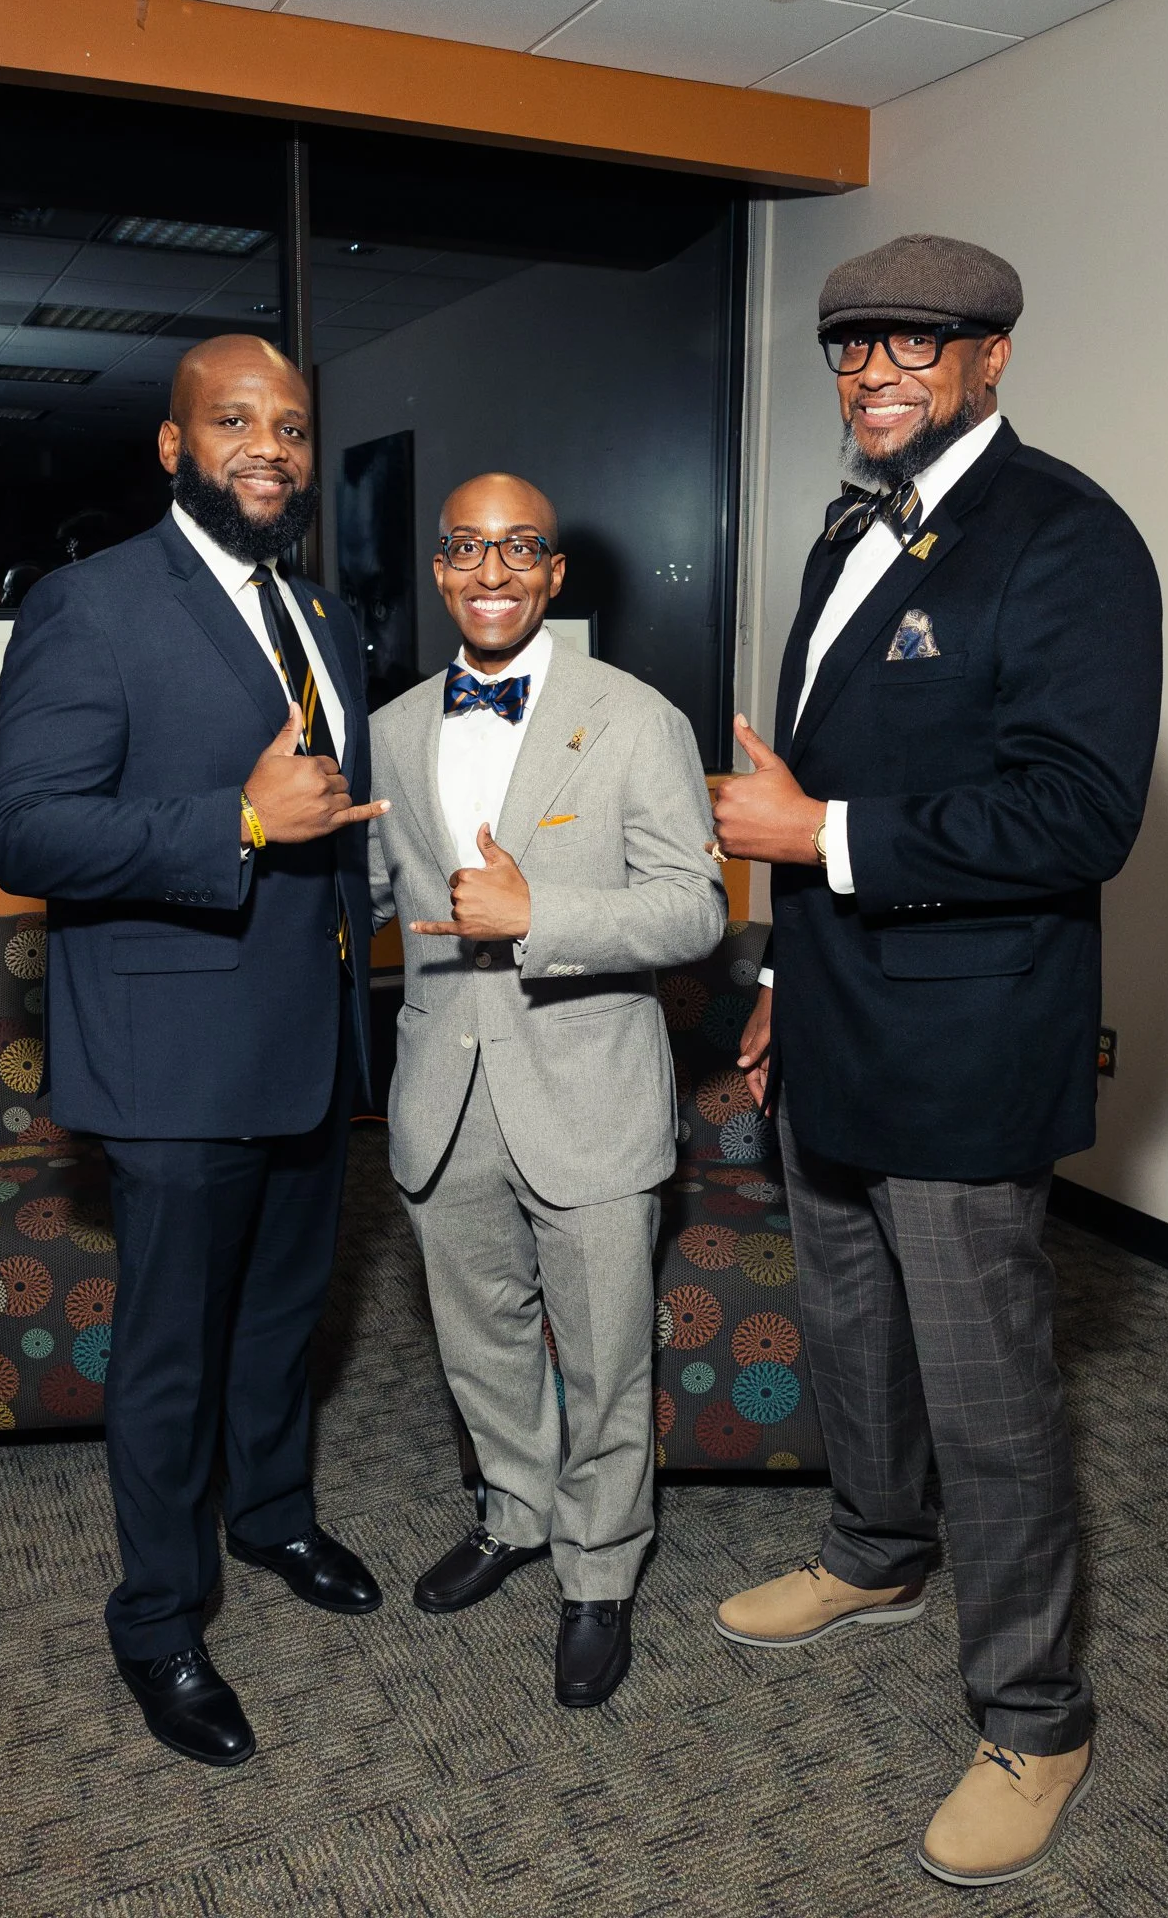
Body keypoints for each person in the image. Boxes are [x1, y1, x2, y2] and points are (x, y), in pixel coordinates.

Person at [709, 234, 1162, 1887]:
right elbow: (820, 776)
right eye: (851, 347)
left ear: (994, 358)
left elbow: (1078, 811)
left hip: (968, 1044)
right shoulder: (858, 520)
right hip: (832, 1018)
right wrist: (777, 969)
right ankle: (873, 1550)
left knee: (991, 1394)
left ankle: (1039, 1715)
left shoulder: (1067, 540)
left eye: (918, 342)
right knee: (844, 1318)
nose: (876, 369)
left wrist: (814, 832)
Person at [0, 335, 390, 1769]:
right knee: (168, 1360)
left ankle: (272, 1513)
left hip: (304, 1042)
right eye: (233, 421)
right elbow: (27, 829)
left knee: (284, 1323)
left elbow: (331, 821)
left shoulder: (325, 619)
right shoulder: (90, 607)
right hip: (168, 1059)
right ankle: (158, 1617)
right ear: (174, 447)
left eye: (288, 423)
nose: (267, 446)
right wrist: (234, 822)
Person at [368, 473, 726, 1708]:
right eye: (465, 546)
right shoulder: (397, 724)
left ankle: (600, 1568)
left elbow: (695, 906)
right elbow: (382, 891)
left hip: (588, 1088)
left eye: (520, 548)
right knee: (481, 1338)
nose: (491, 572)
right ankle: (515, 1510)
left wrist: (542, 915)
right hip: (439, 1084)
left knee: (609, 1355)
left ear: (556, 571)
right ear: (437, 564)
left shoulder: (636, 718)